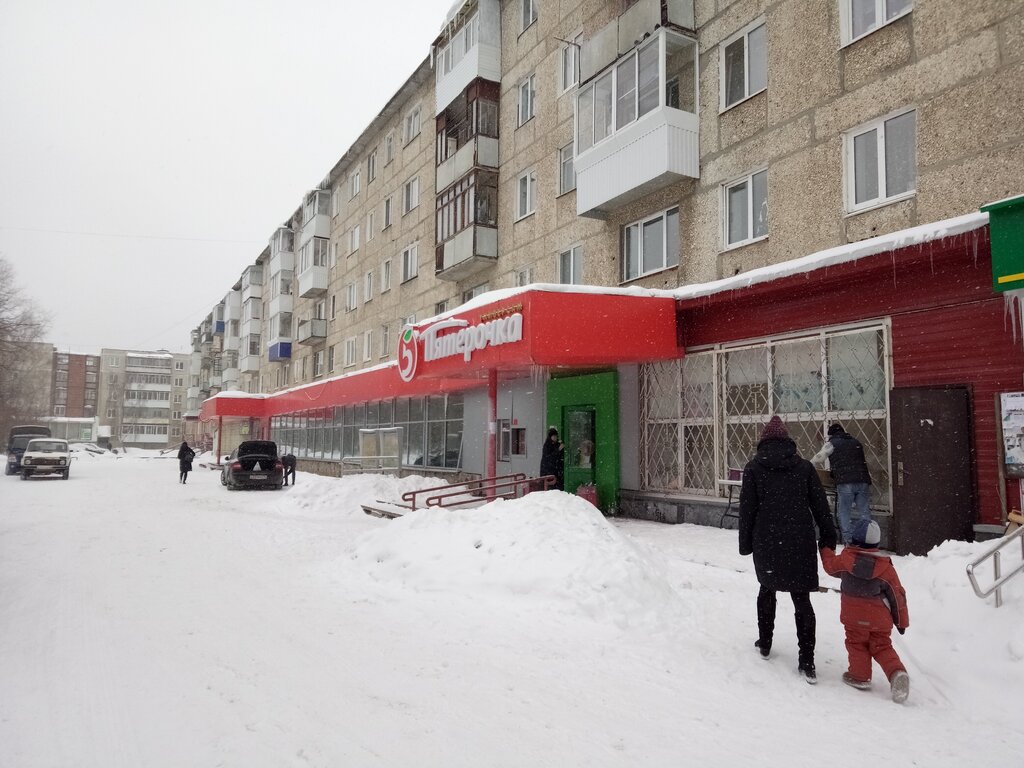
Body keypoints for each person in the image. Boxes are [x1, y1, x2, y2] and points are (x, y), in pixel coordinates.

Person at [739, 416, 837, 684]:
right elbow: (820, 507)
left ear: (763, 440)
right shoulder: (804, 468)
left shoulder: (753, 469)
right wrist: (828, 538)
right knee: (802, 599)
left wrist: (745, 544)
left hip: (767, 541)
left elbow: (747, 510)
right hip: (798, 541)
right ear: (787, 440)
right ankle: (807, 661)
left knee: (766, 589)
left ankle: (765, 642)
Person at [820, 519, 911, 703]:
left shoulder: (845, 561)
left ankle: (859, 676)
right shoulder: (886, 569)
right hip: (879, 620)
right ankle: (897, 673)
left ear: (854, 539)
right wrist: (901, 622)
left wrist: (825, 549)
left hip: (853, 618)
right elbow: (897, 596)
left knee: (856, 644)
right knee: (882, 647)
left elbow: (830, 566)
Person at [811, 423, 872, 544]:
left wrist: (809, 465)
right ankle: (868, 539)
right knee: (864, 512)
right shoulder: (856, 442)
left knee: (844, 512)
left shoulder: (832, 443)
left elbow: (819, 458)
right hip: (863, 480)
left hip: (845, 482)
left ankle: (848, 541)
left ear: (831, 435)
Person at [539, 426, 565, 490]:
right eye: (554, 436)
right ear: (550, 437)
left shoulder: (556, 444)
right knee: (551, 489)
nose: (555, 438)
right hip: (548, 472)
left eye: (556, 436)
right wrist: (558, 449)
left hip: (555, 471)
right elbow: (549, 458)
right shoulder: (547, 445)